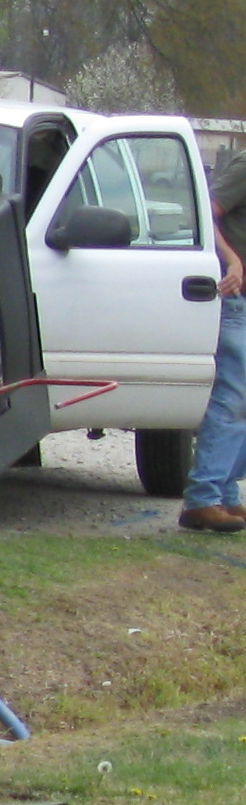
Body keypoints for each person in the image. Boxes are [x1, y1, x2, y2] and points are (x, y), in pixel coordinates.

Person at [179, 148, 246, 534]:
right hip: (234, 300)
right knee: (231, 398)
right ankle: (203, 498)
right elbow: (205, 212)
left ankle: (226, 493)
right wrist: (232, 260)